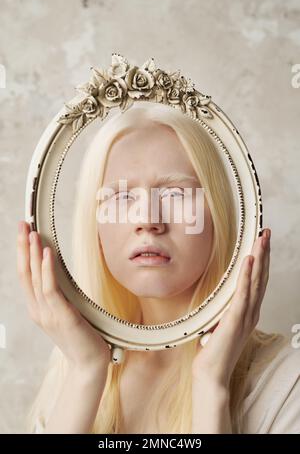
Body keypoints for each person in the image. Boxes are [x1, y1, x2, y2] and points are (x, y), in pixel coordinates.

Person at [17, 103, 300, 434]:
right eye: (122, 197)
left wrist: (212, 383)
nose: (148, 220)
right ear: (95, 228)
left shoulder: (285, 382)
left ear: (217, 216)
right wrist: (86, 371)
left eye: (177, 193)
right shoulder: (68, 368)